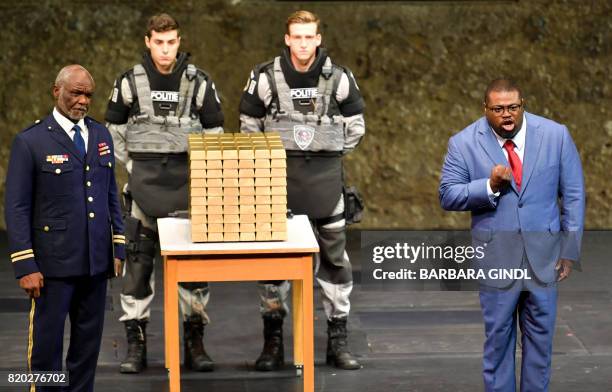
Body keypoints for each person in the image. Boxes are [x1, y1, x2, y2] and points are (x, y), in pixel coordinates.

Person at [439, 79, 585, 391]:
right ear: (485, 109)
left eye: (513, 107)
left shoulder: (556, 135)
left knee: (540, 342)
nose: (508, 115)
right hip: (496, 258)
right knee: (498, 341)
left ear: (522, 105)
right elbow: (448, 194)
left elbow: (573, 195)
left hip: (542, 258)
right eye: (499, 109)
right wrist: (489, 186)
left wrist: (569, 248)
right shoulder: (463, 142)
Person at [239, 10, 365, 371]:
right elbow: (249, 126)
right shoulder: (264, 77)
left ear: (319, 39)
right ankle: (273, 342)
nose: (304, 43)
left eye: (310, 36)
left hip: (327, 189)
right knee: (273, 269)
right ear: (287, 39)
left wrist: (327, 155)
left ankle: (337, 341)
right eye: (298, 36)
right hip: (277, 189)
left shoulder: (339, 79)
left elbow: (356, 128)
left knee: (335, 265)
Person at [105, 13, 224, 373]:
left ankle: (194, 342)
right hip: (142, 193)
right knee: (137, 270)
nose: (165, 49)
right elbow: (112, 130)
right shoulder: (129, 83)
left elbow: (215, 131)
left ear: (179, 41)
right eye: (159, 42)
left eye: (171, 42)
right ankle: (136, 345)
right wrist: (136, 166)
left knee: (193, 273)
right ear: (147, 41)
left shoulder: (199, 83)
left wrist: (197, 170)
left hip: (188, 196)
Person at [4, 64, 126, 392]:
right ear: (56, 91)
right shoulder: (31, 142)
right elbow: (16, 208)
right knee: (47, 350)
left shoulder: (100, 135)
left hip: (94, 264)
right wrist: (25, 265)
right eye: (76, 92)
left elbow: (110, 193)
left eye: (89, 94)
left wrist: (118, 245)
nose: (83, 101)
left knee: (87, 350)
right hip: (52, 266)